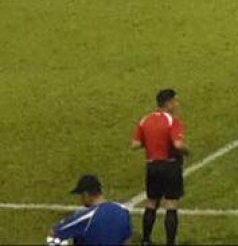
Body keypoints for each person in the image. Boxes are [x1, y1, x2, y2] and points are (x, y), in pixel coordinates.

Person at [131, 89, 187, 246]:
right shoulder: (172, 121)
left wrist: (150, 142)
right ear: (168, 103)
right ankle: (170, 243)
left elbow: (135, 144)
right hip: (170, 166)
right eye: (175, 101)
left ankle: (145, 240)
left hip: (152, 166)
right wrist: (187, 151)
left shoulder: (145, 120)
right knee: (171, 205)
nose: (177, 105)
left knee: (151, 203)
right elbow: (178, 144)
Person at [47, 175, 132, 246]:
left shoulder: (87, 217)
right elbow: (127, 239)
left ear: (86, 194)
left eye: (81, 195)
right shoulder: (123, 211)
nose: (81, 199)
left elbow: (54, 232)